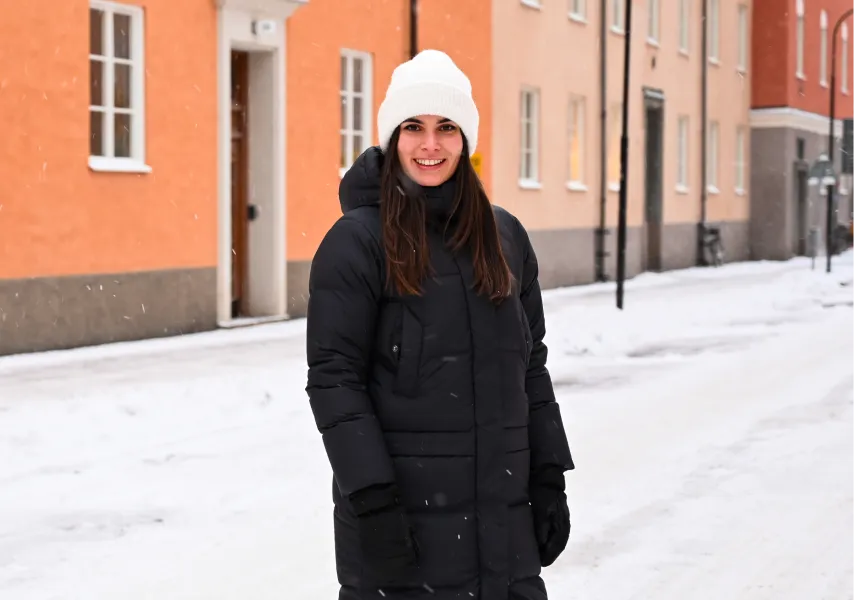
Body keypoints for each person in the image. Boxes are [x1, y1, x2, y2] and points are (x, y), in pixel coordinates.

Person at [306, 49, 574, 600]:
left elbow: (532, 368)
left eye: (446, 127)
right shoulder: (357, 242)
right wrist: (373, 500)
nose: (430, 145)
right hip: (403, 533)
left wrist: (549, 475)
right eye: (414, 127)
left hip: (503, 535)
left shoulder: (505, 239)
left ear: (466, 139)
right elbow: (335, 380)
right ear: (391, 138)